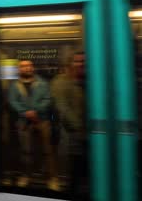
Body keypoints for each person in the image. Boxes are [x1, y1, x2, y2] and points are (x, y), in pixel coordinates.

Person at [8, 60, 59, 191]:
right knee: (26, 151)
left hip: (42, 121)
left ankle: (51, 178)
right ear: (19, 70)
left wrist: (35, 111)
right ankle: (26, 176)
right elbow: (12, 102)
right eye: (23, 66)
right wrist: (26, 113)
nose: (27, 68)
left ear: (33, 68)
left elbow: (48, 99)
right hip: (24, 122)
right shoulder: (14, 85)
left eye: (29, 65)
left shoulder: (42, 83)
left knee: (48, 151)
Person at [51, 52, 87, 199]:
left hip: (85, 137)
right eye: (77, 61)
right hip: (70, 136)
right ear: (69, 64)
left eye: (83, 62)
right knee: (72, 175)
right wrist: (80, 128)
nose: (80, 64)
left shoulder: (86, 83)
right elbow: (63, 108)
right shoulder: (60, 82)